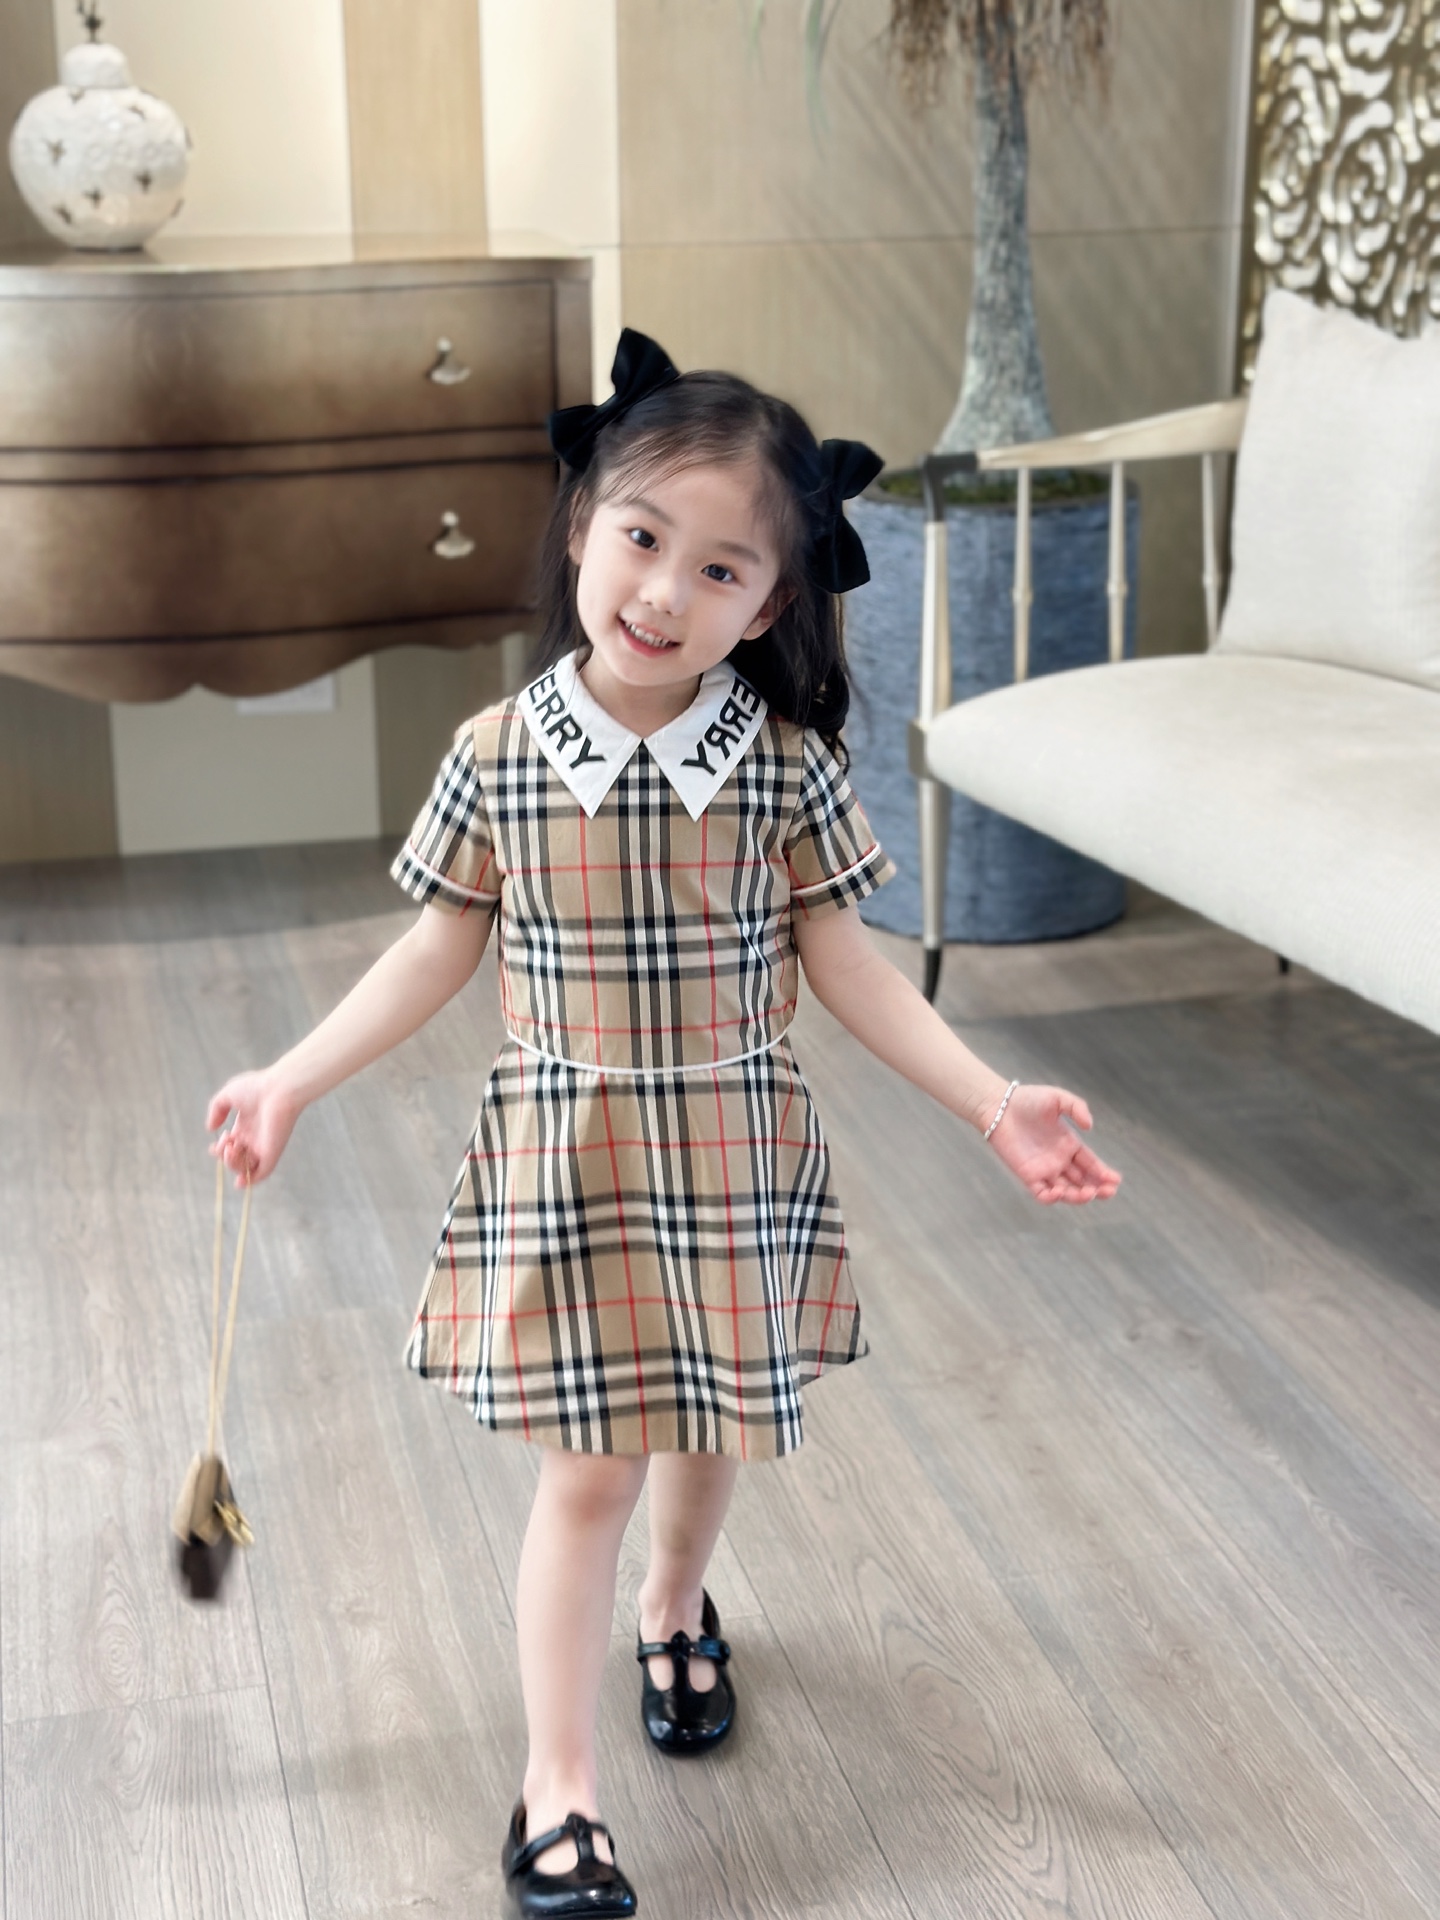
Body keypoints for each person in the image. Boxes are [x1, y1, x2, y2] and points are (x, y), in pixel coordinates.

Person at [207, 330, 1122, 1918]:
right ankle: (556, 1792)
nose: (662, 591)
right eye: (640, 538)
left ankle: (676, 1605)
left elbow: (849, 966)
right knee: (591, 1472)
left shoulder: (783, 769)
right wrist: (290, 1077)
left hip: (731, 1155)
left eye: (718, 569)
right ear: (582, 526)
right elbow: (433, 951)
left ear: (766, 606)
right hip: (568, 1163)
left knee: (709, 1432)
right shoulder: (498, 757)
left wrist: (994, 1104)